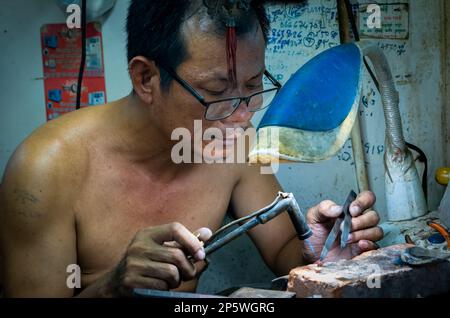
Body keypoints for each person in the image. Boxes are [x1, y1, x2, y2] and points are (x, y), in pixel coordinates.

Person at [0, 0, 383, 297]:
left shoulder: (232, 143)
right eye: (216, 92)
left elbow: (283, 246)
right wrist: (112, 288)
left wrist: (316, 248)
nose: (240, 119)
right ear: (146, 78)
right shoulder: (46, 168)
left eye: (252, 86)